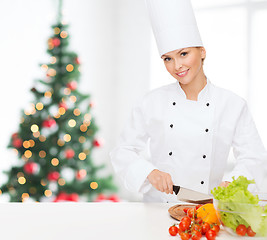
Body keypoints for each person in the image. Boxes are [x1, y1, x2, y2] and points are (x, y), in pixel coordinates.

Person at [110, 0, 267, 202]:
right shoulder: (151, 102)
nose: (177, 66)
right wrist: (149, 172)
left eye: (184, 54)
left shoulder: (233, 104)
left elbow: (254, 156)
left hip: (207, 210)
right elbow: (122, 151)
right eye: (168, 58)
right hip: (158, 209)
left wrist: (234, 182)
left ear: (202, 51)